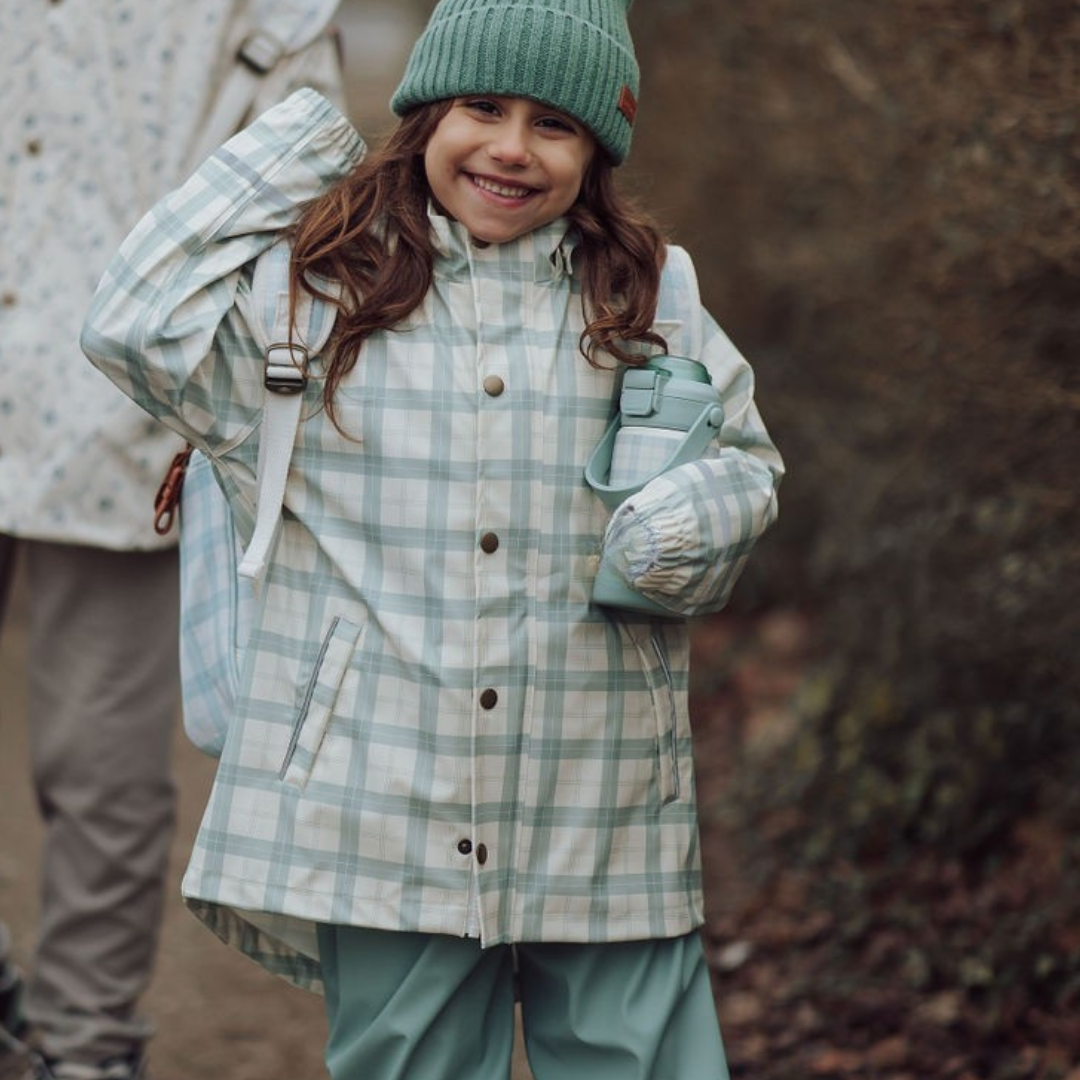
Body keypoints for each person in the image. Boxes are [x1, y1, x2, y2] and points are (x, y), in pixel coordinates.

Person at [81, 0, 784, 1076]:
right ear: (423, 117)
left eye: (554, 124)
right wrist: (306, 137)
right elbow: (126, 323)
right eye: (481, 107)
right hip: (381, 810)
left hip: (601, 805)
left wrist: (684, 524)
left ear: (597, 148)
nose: (510, 146)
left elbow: (746, 461)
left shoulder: (652, 295)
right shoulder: (304, 304)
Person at [0, 4, 343, 1079]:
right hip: (98, 400)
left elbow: (312, 170)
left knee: (97, 762)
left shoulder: (267, 10)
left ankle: (83, 1046)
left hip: (108, 412)